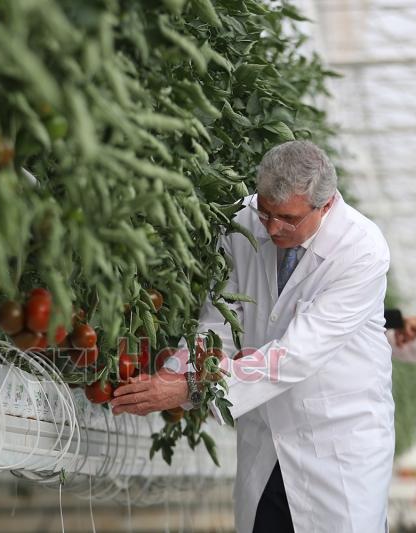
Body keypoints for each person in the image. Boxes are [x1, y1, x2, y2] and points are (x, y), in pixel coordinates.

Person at [111, 140, 394, 533]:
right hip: (264, 436)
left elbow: (296, 355)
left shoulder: (360, 250)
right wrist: (176, 374)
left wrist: (194, 387)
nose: (273, 227)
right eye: (266, 212)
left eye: (288, 218)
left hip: (337, 442)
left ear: (325, 206)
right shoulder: (244, 219)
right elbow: (221, 321)